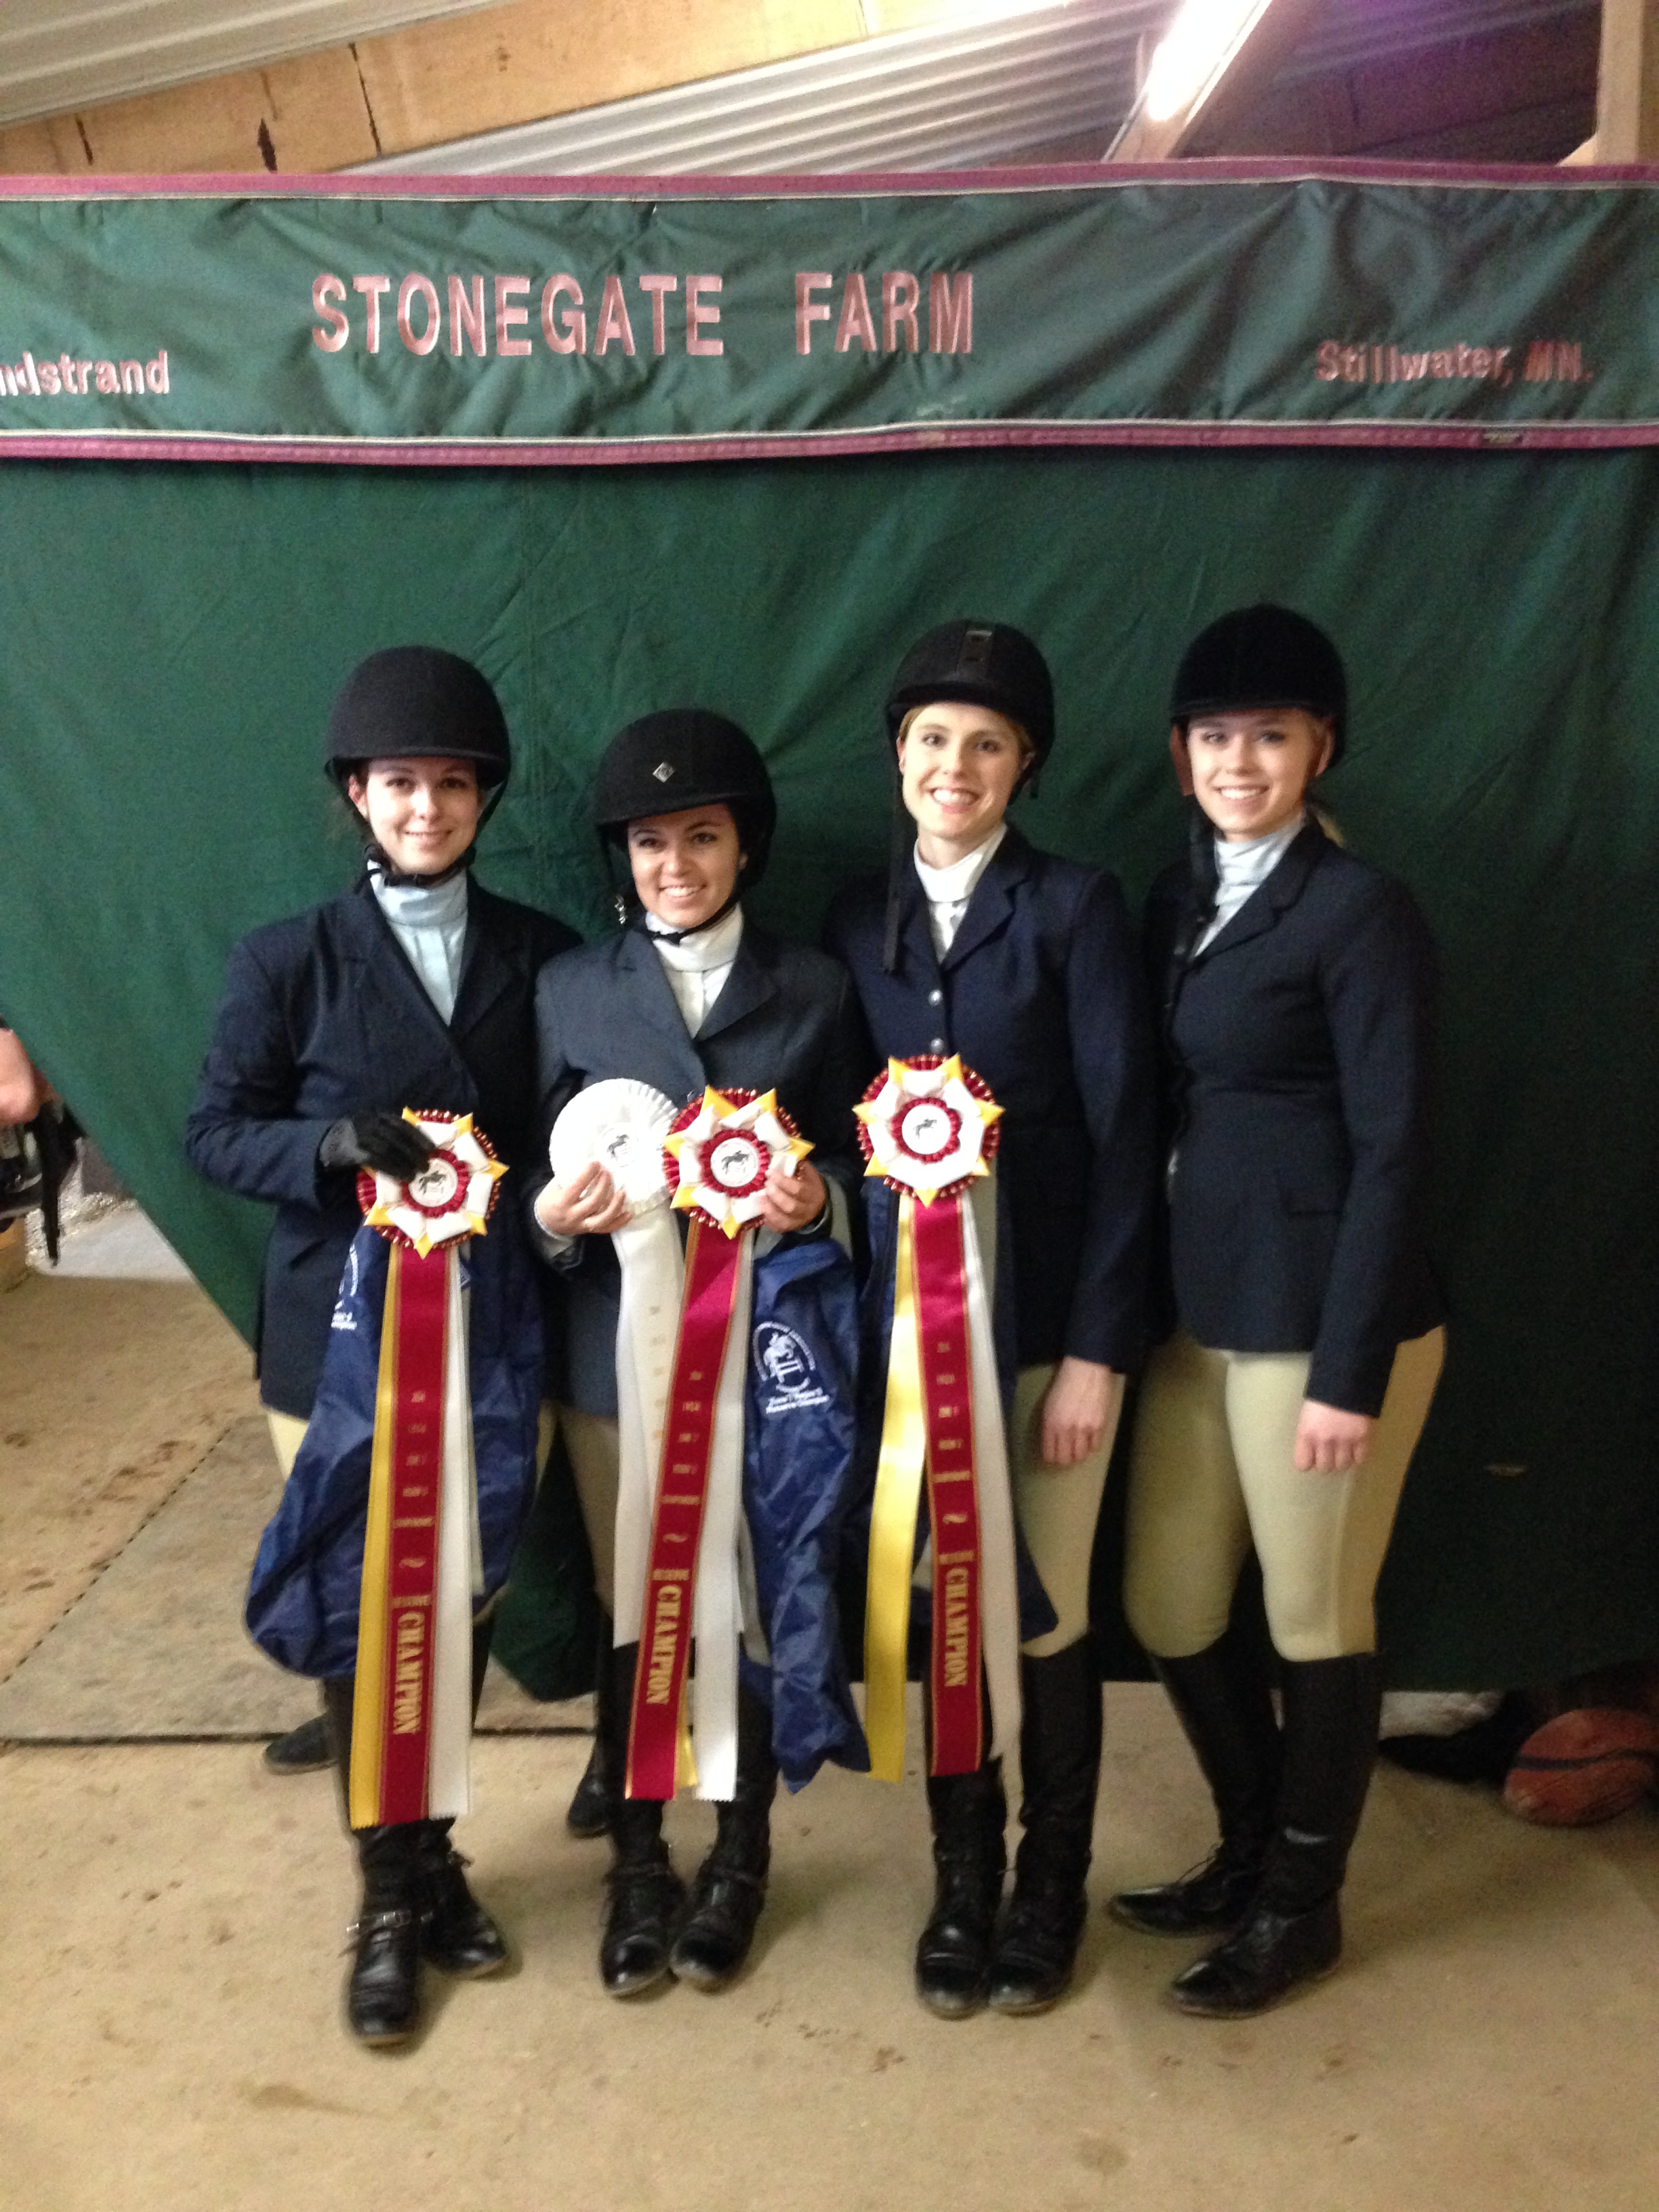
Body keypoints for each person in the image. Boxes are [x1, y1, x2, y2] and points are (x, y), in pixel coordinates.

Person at [186, 645, 578, 2043]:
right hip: (340, 1354)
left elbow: (561, 1137)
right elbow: (213, 1131)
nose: (426, 806)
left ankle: (435, 1856)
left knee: (457, 1611)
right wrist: (327, 1146)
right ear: (360, 795)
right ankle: (385, 1898)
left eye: (452, 784)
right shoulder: (286, 959)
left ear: (482, 799)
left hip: (493, 1340)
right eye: (401, 782)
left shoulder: (539, 953)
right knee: (369, 1617)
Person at [1113, 602, 1446, 2017]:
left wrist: (1348, 1372)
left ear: (1321, 746)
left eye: (1270, 735)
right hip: (1203, 1304)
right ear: (1180, 753)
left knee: (1314, 1613)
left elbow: (1398, 1149)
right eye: (1215, 737)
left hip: (1323, 1320)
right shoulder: (1181, 892)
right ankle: (1251, 1845)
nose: (1239, 761)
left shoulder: (1362, 913)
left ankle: (1302, 1904)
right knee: (1170, 1603)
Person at [825, 619, 1155, 2018]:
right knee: (940, 1608)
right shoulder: (856, 917)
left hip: (1041, 1338)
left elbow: (1130, 1131)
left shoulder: (1077, 909)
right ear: (898, 755)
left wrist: (1097, 1351)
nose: (953, 765)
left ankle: (1049, 1884)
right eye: (931, 740)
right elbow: (839, 1131)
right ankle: (962, 1883)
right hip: (911, 1340)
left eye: (986, 743)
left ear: (1025, 766)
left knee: (1050, 1617)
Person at [529, 708, 869, 1999]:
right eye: (652, 841)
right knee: (641, 1604)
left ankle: (739, 1855)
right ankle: (634, 1859)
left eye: (704, 837)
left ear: (744, 847)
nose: (677, 862)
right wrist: (553, 1220)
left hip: (765, 1360)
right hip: (622, 1360)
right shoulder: (568, 988)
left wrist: (816, 1198)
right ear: (623, 856)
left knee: (750, 1603)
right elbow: (525, 1172)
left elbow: (850, 1153)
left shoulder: (816, 990)